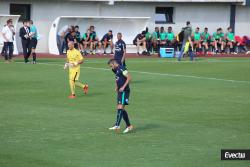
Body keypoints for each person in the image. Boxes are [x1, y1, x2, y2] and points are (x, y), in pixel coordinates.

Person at [108, 59, 133, 133]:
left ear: (114, 63)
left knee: (120, 107)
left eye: (111, 66)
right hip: (120, 91)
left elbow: (129, 77)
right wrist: (116, 86)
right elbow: (117, 78)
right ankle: (129, 126)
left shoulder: (122, 68)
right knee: (121, 108)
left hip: (124, 91)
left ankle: (117, 125)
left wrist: (123, 87)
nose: (111, 68)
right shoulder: (115, 70)